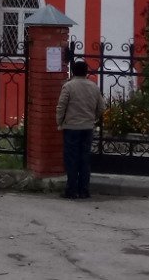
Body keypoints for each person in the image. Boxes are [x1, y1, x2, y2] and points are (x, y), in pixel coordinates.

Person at [56, 59, 104, 199]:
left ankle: (72, 189)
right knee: (84, 158)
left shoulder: (69, 86)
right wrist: (93, 118)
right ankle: (84, 190)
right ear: (86, 72)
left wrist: (60, 122)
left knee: (71, 159)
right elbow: (101, 107)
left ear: (73, 71)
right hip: (87, 127)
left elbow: (61, 106)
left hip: (71, 127)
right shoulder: (93, 86)